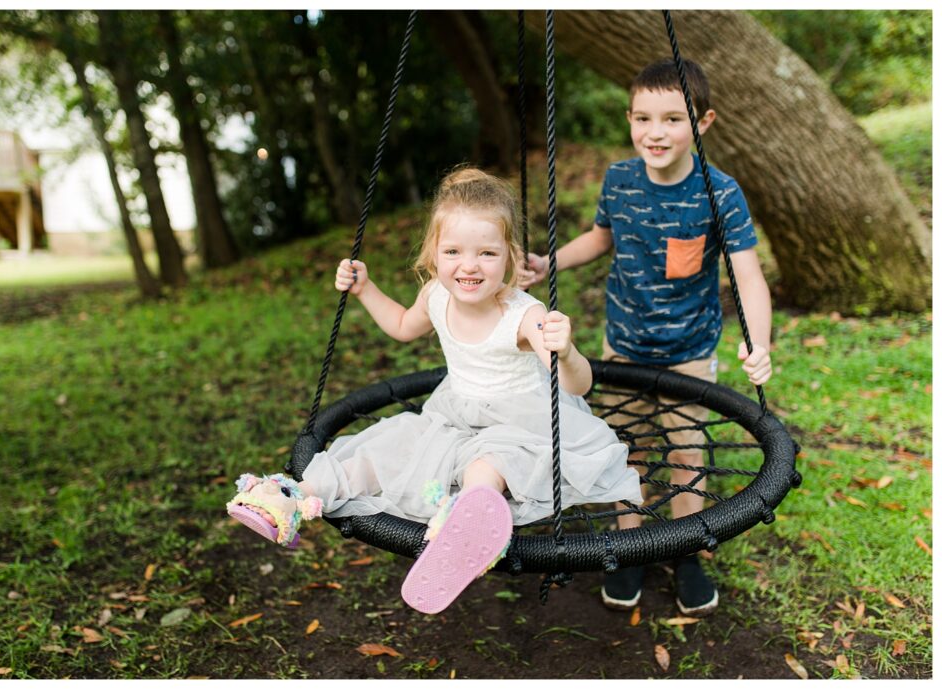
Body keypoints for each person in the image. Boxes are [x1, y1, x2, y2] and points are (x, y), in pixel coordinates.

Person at [227, 167, 643, 615]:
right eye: (453, 251)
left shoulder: (523, 314)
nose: (469, 265)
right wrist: (365, 290)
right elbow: (403, 327)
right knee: (385, 451)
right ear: (433, 254)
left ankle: (468, 519)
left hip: (521, 421)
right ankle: (291, 496)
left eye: (487, 253)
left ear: (510, 257)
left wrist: (567, 352)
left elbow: (579, 384)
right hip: (453, 414)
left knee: (490, 462)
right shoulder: (435, 296)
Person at [518, 59, 773, 617]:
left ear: (702, 123)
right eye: (643, 118)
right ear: (630, 119)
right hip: (624, 346)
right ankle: (627, 546)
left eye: (672, 119)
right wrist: (547, 262)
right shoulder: (620, 179)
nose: (655, 132)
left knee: (685, 453)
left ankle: (684, 552)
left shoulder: (719, 193)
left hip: (689, 352)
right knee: (624, 449)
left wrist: (759, 341)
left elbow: (748, 275)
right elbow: (599, 237)